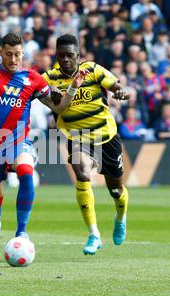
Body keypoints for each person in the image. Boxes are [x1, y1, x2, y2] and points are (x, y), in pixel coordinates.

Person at [0, 33, 87, 258]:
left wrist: (73, 87)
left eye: (17, 55)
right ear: (0, 53)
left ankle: (21, 232)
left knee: (26, 172)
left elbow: (60, 108)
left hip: (18, 141)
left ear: (23, 54)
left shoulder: (33, 79)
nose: (13, 59)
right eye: (8, 54)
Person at [42, 34, 130, 255]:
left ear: (78, 56)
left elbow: (115, 84)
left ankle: (120, 217)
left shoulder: (92, 69)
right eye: (61, 56)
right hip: (78, 138)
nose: (65, 60)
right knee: (82, 172)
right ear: (56, 55)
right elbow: (34, 88)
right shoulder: (50, 78)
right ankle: (94, 234)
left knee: (116, 190)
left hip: (106, 136)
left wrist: (119, 90)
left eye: (70, 55)